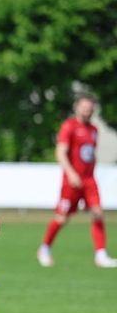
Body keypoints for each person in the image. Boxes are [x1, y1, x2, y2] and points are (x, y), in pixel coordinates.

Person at [38, 94, 117, 268]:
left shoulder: (94, 129)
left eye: (90, 108)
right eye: (84, 107)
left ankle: (101, 254)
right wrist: (71, 173)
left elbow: (89, 154)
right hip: (71, 181)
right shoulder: (69, 126)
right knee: (62, 217)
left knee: (98, 213)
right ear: (77, 107)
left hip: (89, 180)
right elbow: (61, 152)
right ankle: (44, 248)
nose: (87, 111)